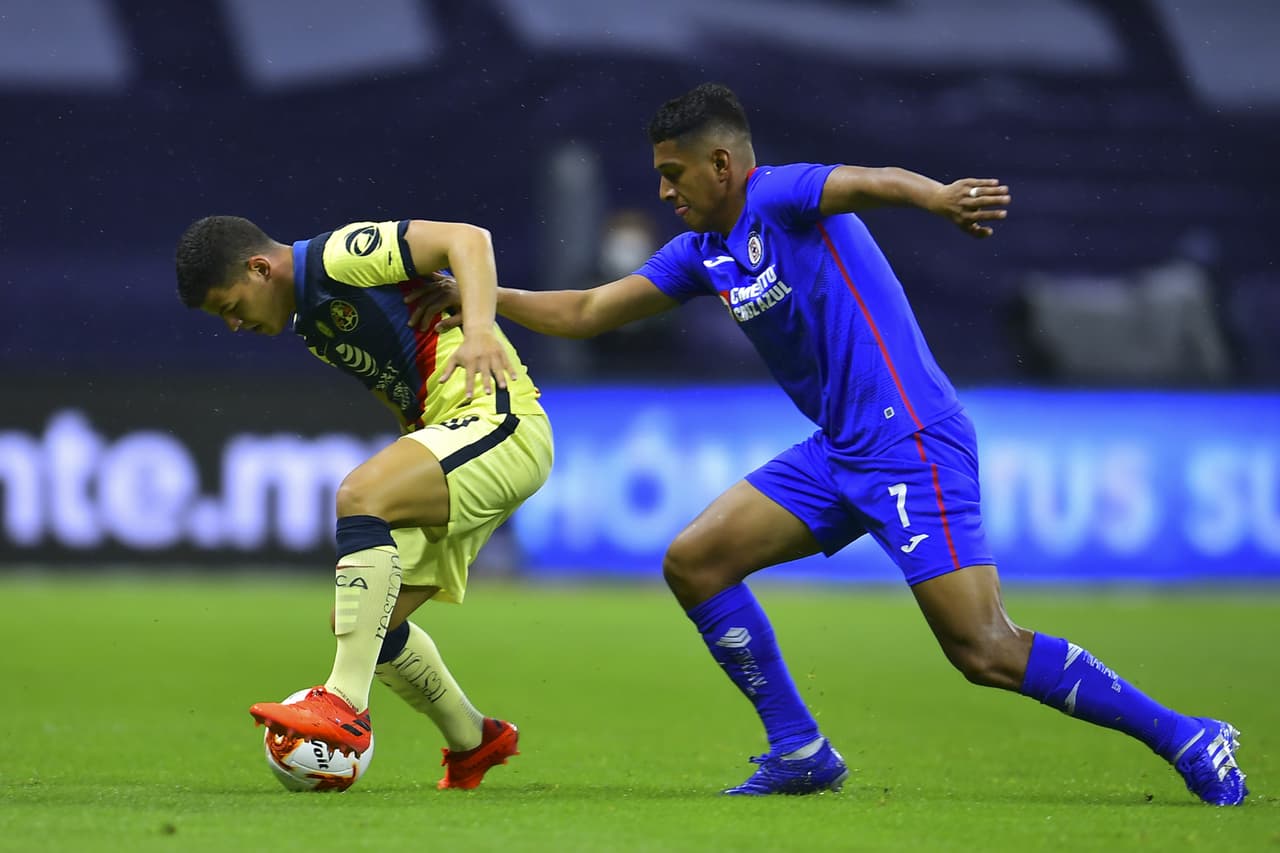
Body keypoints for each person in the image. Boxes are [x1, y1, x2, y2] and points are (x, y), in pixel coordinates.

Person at [407, 83, 1247, 803]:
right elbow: (591, 311)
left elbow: (867, 181)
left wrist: (938, 198)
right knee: (695, 560)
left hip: (911, 442)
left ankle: (1188, 735)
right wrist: (485, 295)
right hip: (839, 451)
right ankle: (801, 749)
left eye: (674, 173)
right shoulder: (703, 252)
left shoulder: (779, 195)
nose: (664, 191)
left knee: (984, 648)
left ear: (723, 165)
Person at [175, 215, 553, 790]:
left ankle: (342, 705)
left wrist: (479, 329)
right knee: (365, 620)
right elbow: (404, 379)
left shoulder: (337, 258)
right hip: (453, 431)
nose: (232, 324)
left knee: (359, 495)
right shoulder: (315, 326)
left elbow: (469, 238)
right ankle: (476, 740)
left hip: (500, 421)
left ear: (260, 269)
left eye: (230, 305)